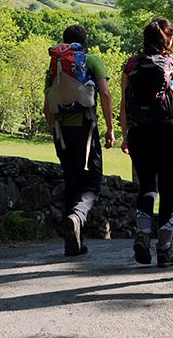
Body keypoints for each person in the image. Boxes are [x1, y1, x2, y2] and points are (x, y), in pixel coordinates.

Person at [119, 18, 173, 268]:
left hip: (139, 133)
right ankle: (164, 248)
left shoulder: (131, 65)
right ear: (169, 39)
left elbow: (124, 103)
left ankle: (143, 233)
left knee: (147, 186)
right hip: (168, 131)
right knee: (168, 190)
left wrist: (125, 134)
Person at [43, 24, 116, 256]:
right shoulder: (92, 60)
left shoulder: (55, 64)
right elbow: (104, 93)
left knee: (71, 184)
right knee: (91, 185)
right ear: (85, 44)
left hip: (61, 133)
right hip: (86, 130)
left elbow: (47, 106)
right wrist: (110, 128)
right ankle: (77, 218)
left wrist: (55, 132)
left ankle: (72, 244)